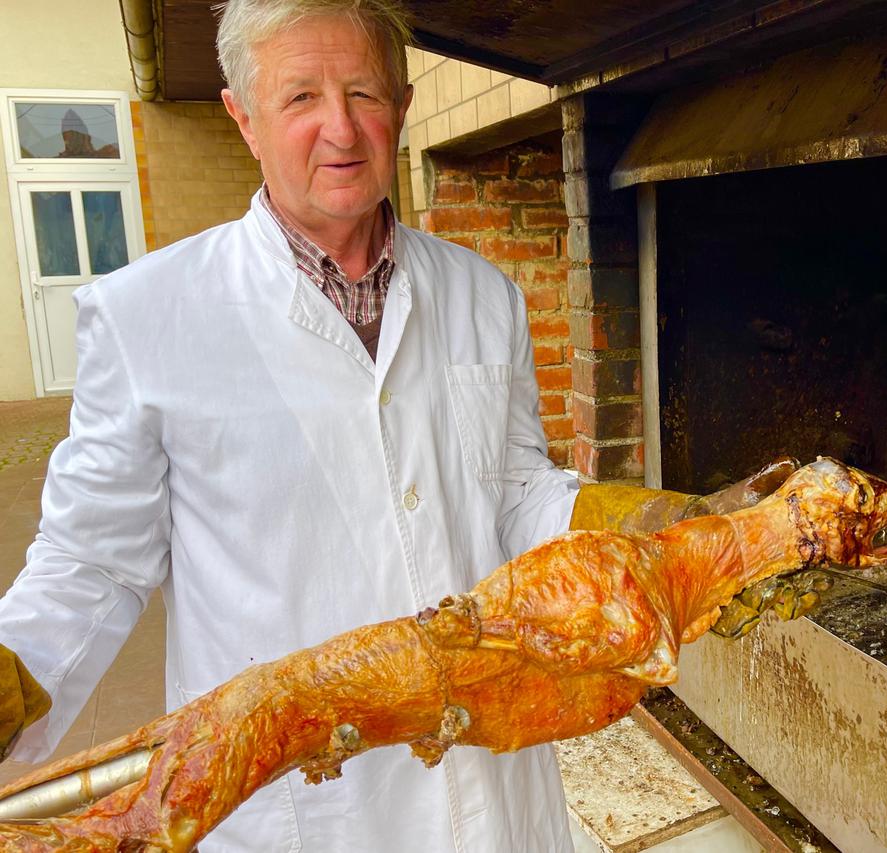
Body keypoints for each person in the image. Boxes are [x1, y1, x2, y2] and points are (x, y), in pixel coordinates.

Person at [0, 1, 812, 850]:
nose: (341, 128)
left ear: (404, 104)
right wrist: (15, 670)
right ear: (244, 118)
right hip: (310, 815)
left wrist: (661, 527)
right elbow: (92, 564)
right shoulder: (147, 318)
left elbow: (516, 492)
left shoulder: (482, 293)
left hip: (492, 788)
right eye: (301, 97)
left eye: (363, 93)